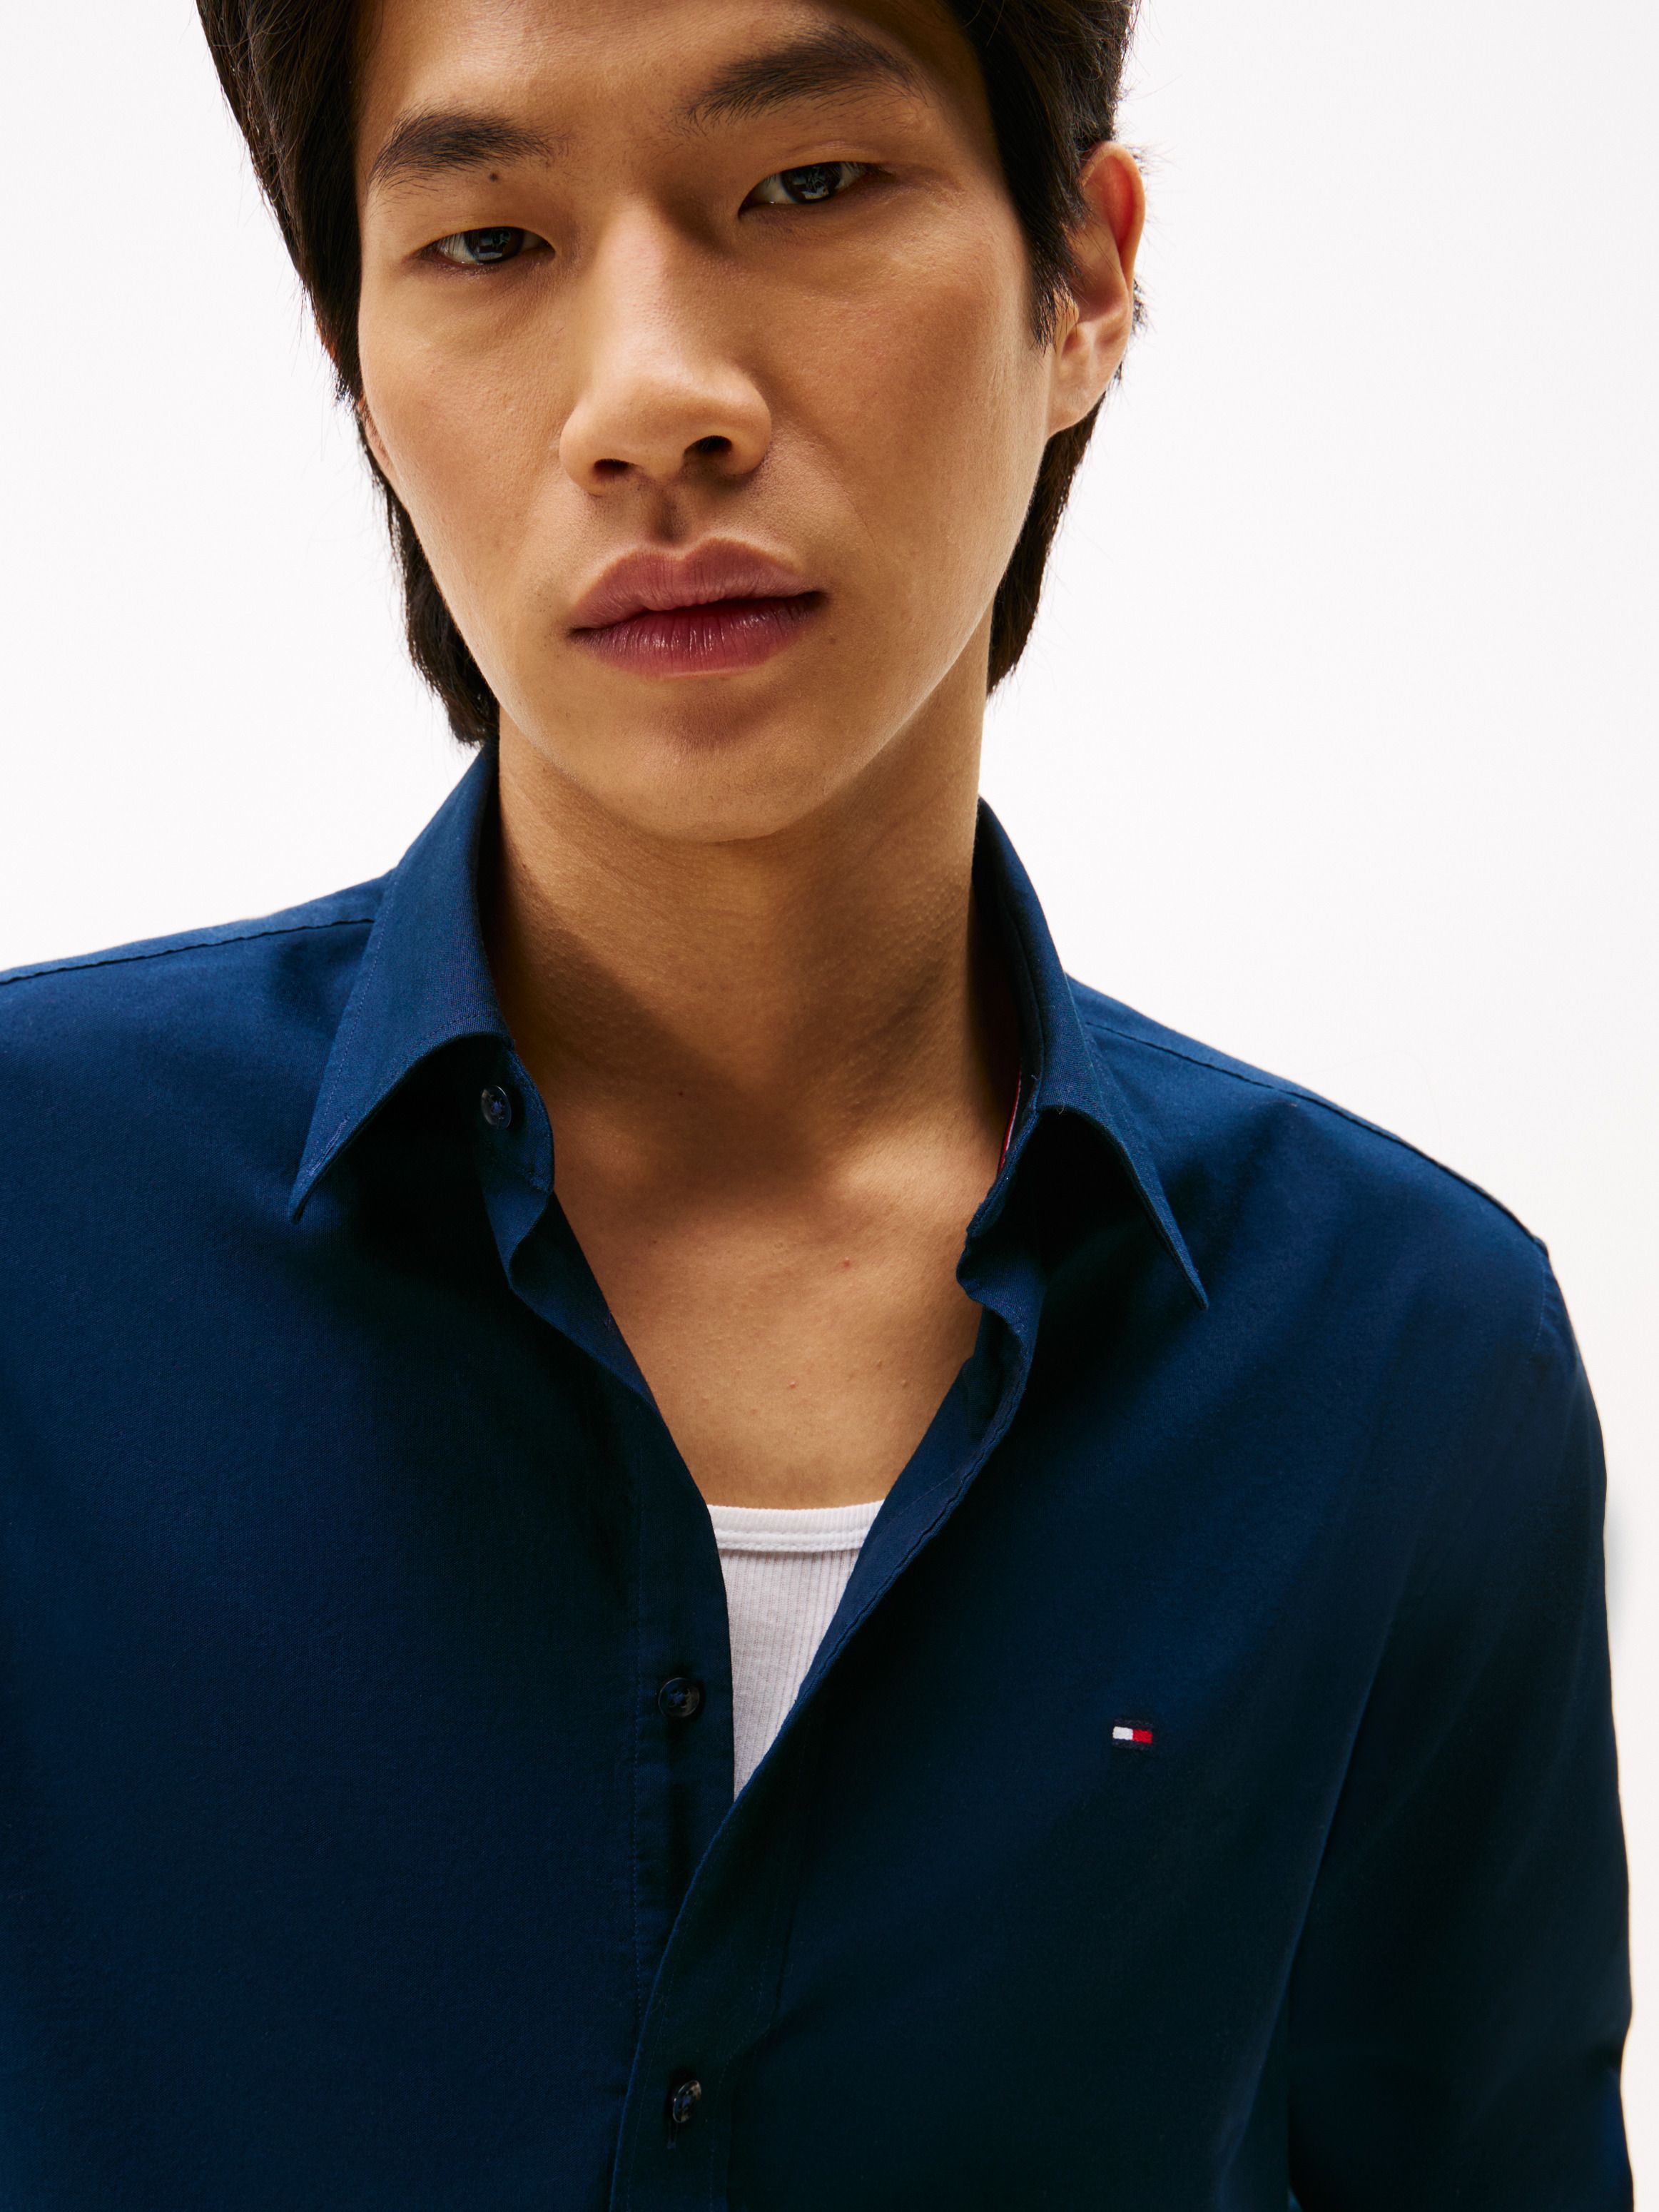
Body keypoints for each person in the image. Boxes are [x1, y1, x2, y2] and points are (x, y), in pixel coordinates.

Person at [0, 0, 1630, 2201]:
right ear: (353, 355)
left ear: (1084, 277)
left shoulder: (1401, 1357)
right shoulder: (32, 1236)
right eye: (488, 241)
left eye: (808, 184)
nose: (654, 399)